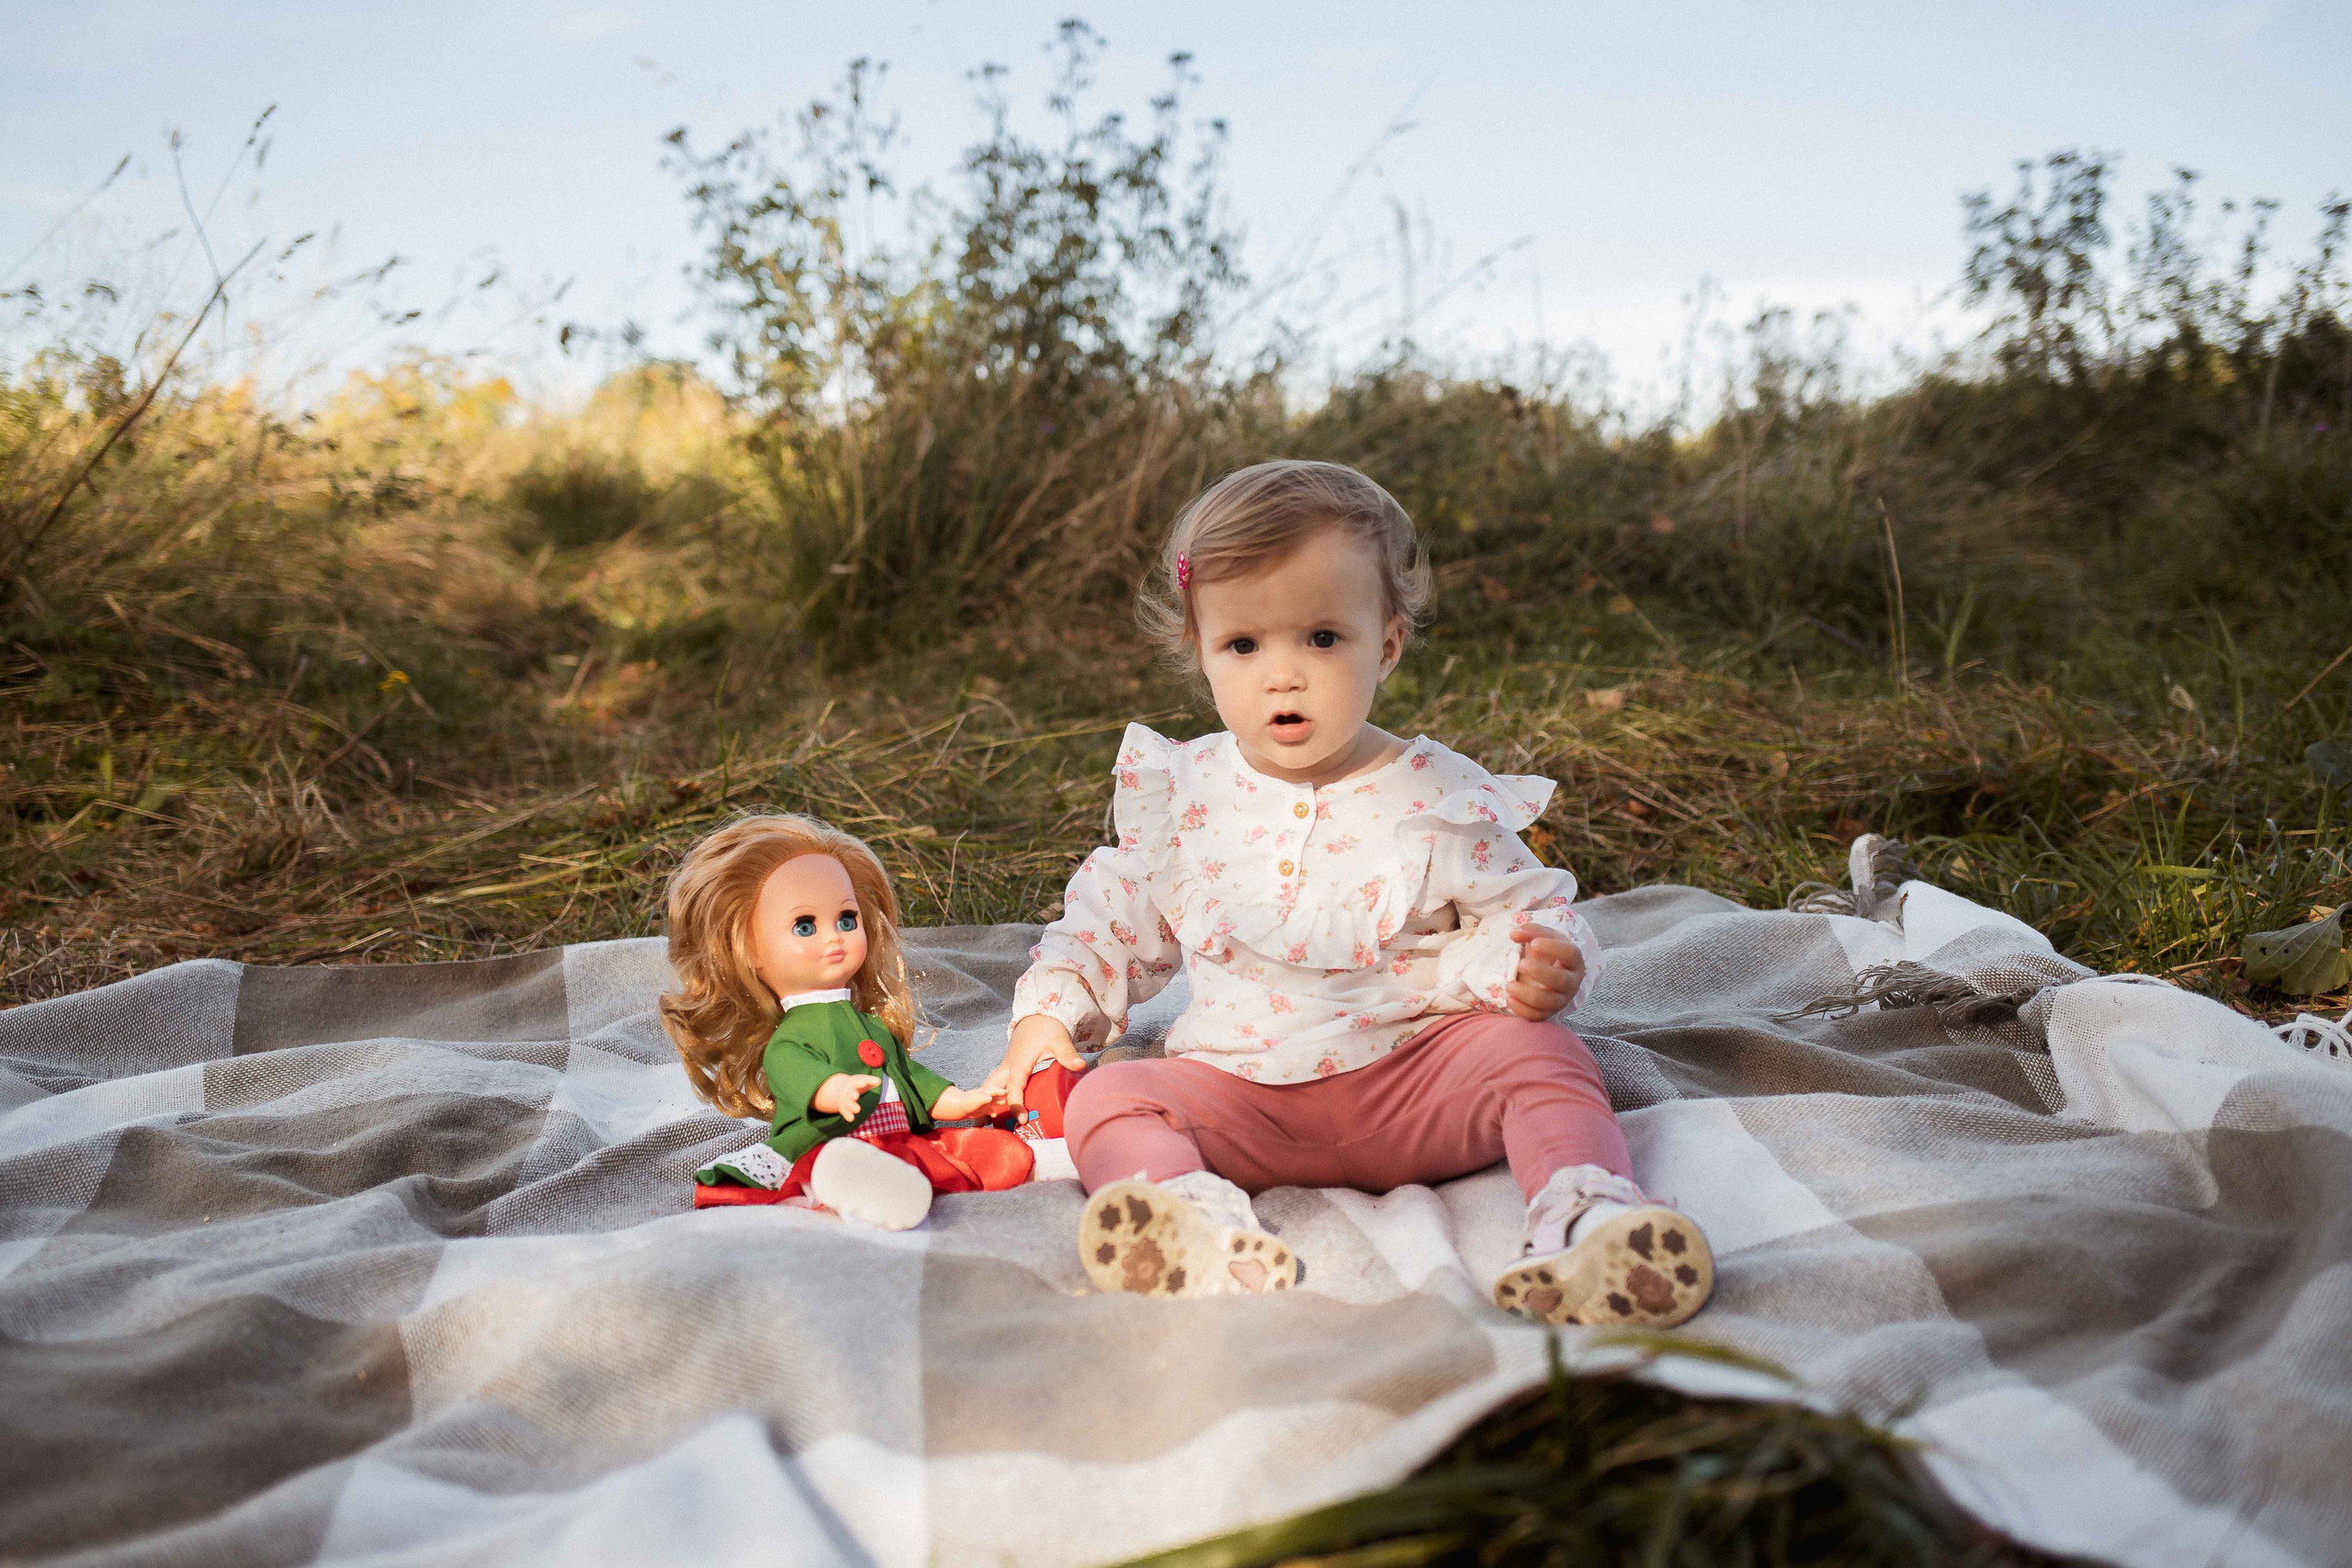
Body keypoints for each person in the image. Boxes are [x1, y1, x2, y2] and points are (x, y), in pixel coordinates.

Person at [981, 460, 1713, 1325]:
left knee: (1544, 1058)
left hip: (1418, 1081)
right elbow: (1112, 922)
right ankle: (1186, 1220)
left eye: (1322, 638)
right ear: (1202, 653)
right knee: (1111, 1097)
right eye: (1243, 645)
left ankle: (1589, 1216)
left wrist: (1533, 964)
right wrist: (1051, 1015)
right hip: (1242, 1098)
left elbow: (1528, 913)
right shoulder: (1186, 795)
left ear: (1387, 643)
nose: (1281, 675)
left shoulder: (1432, 794)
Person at [661, 814, 1034, 1229]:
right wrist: (831, 1090)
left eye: (846, 919)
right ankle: (851, 1185)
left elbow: (912, 1079)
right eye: (805, 926)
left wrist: (966, 1101)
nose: (834, 937)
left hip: (895, 1140)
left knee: (980, 1151)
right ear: (749, 949)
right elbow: (793, 1074)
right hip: (825, 1140)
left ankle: (909, 1181)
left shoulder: (871, 1026)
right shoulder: (790, 1039)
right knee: (833, 1162)